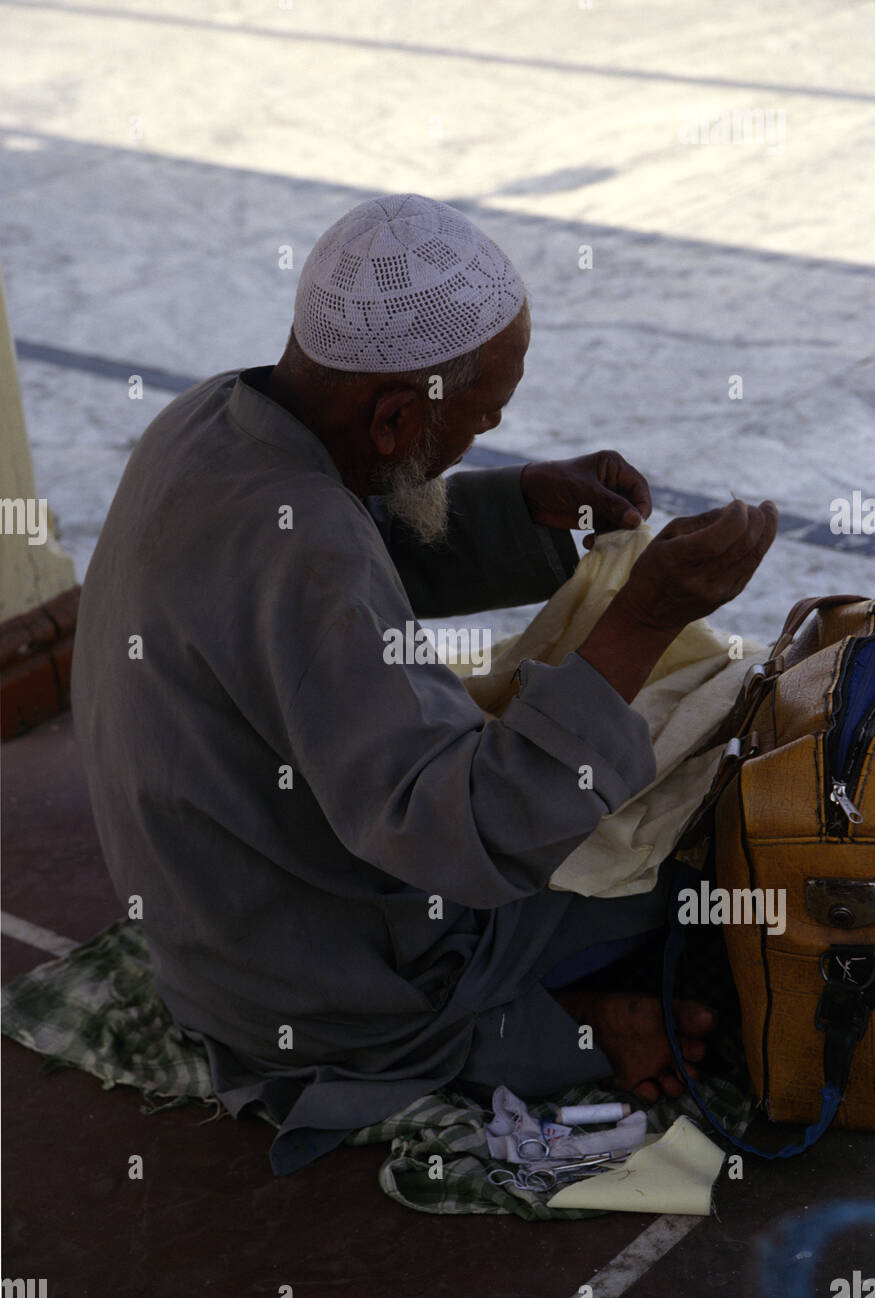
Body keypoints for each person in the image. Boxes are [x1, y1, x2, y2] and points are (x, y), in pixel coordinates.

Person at [71, 193, 778, 1174]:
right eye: (483, 416)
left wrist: (523, 507)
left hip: (207, 924)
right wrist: (640, 618)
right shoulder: (309, 549)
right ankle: (536, 1036)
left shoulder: (213, 422)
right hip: (301, 992)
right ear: (396, 414)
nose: (486, 432)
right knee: (693, 870)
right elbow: (472, 836)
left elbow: (342, 553)